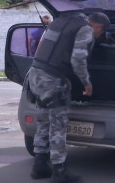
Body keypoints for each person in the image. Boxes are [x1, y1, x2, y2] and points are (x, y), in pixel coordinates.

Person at [28, 12, 109, 183]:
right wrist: (86, 83)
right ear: (99, 26)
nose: (97, 36)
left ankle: (39, 165)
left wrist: (61, 76)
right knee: (58, 126)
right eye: (100, 34)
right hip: (51, 80)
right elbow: (78, 59)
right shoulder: (85, 29)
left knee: (43, 121)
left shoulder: (59, 23)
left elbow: (50, 52)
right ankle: (59, 171)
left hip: (35, 74)